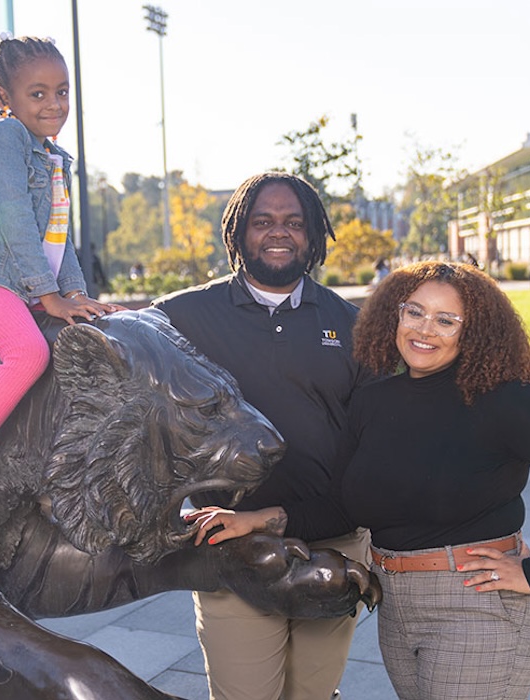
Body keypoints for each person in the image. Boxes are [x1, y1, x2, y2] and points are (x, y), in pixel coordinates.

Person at [189, 260, 530, 700]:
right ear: (394, 316)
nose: (425, 329)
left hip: (476, 605)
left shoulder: (502, 399)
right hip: (396, 606)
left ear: (473, 331)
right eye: (414, 311)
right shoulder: (373, 402)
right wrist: (257, 520)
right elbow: (343, 506)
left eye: (446, 320)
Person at [153, 172, 371, 700]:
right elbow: (106, 349)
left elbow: (376, 441)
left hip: (333, 546)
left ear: (313, 233)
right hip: (232, 548)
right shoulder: (180, 317)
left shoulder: (352, 323)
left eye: (294, 222)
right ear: (238, 232)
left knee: (313, 695)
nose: (280, 232)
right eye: (264, 221)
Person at [0, 35, 120, 556]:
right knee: (29, 352)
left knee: (84, 339)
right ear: (5, 97)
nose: (54, 105)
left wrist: (77, 294)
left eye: (62, 92)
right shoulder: (5, 138)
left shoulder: (57, 158)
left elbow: (59, 236)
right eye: (37, 94)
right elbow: (14, 219)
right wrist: (48, 296)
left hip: (16, 287)